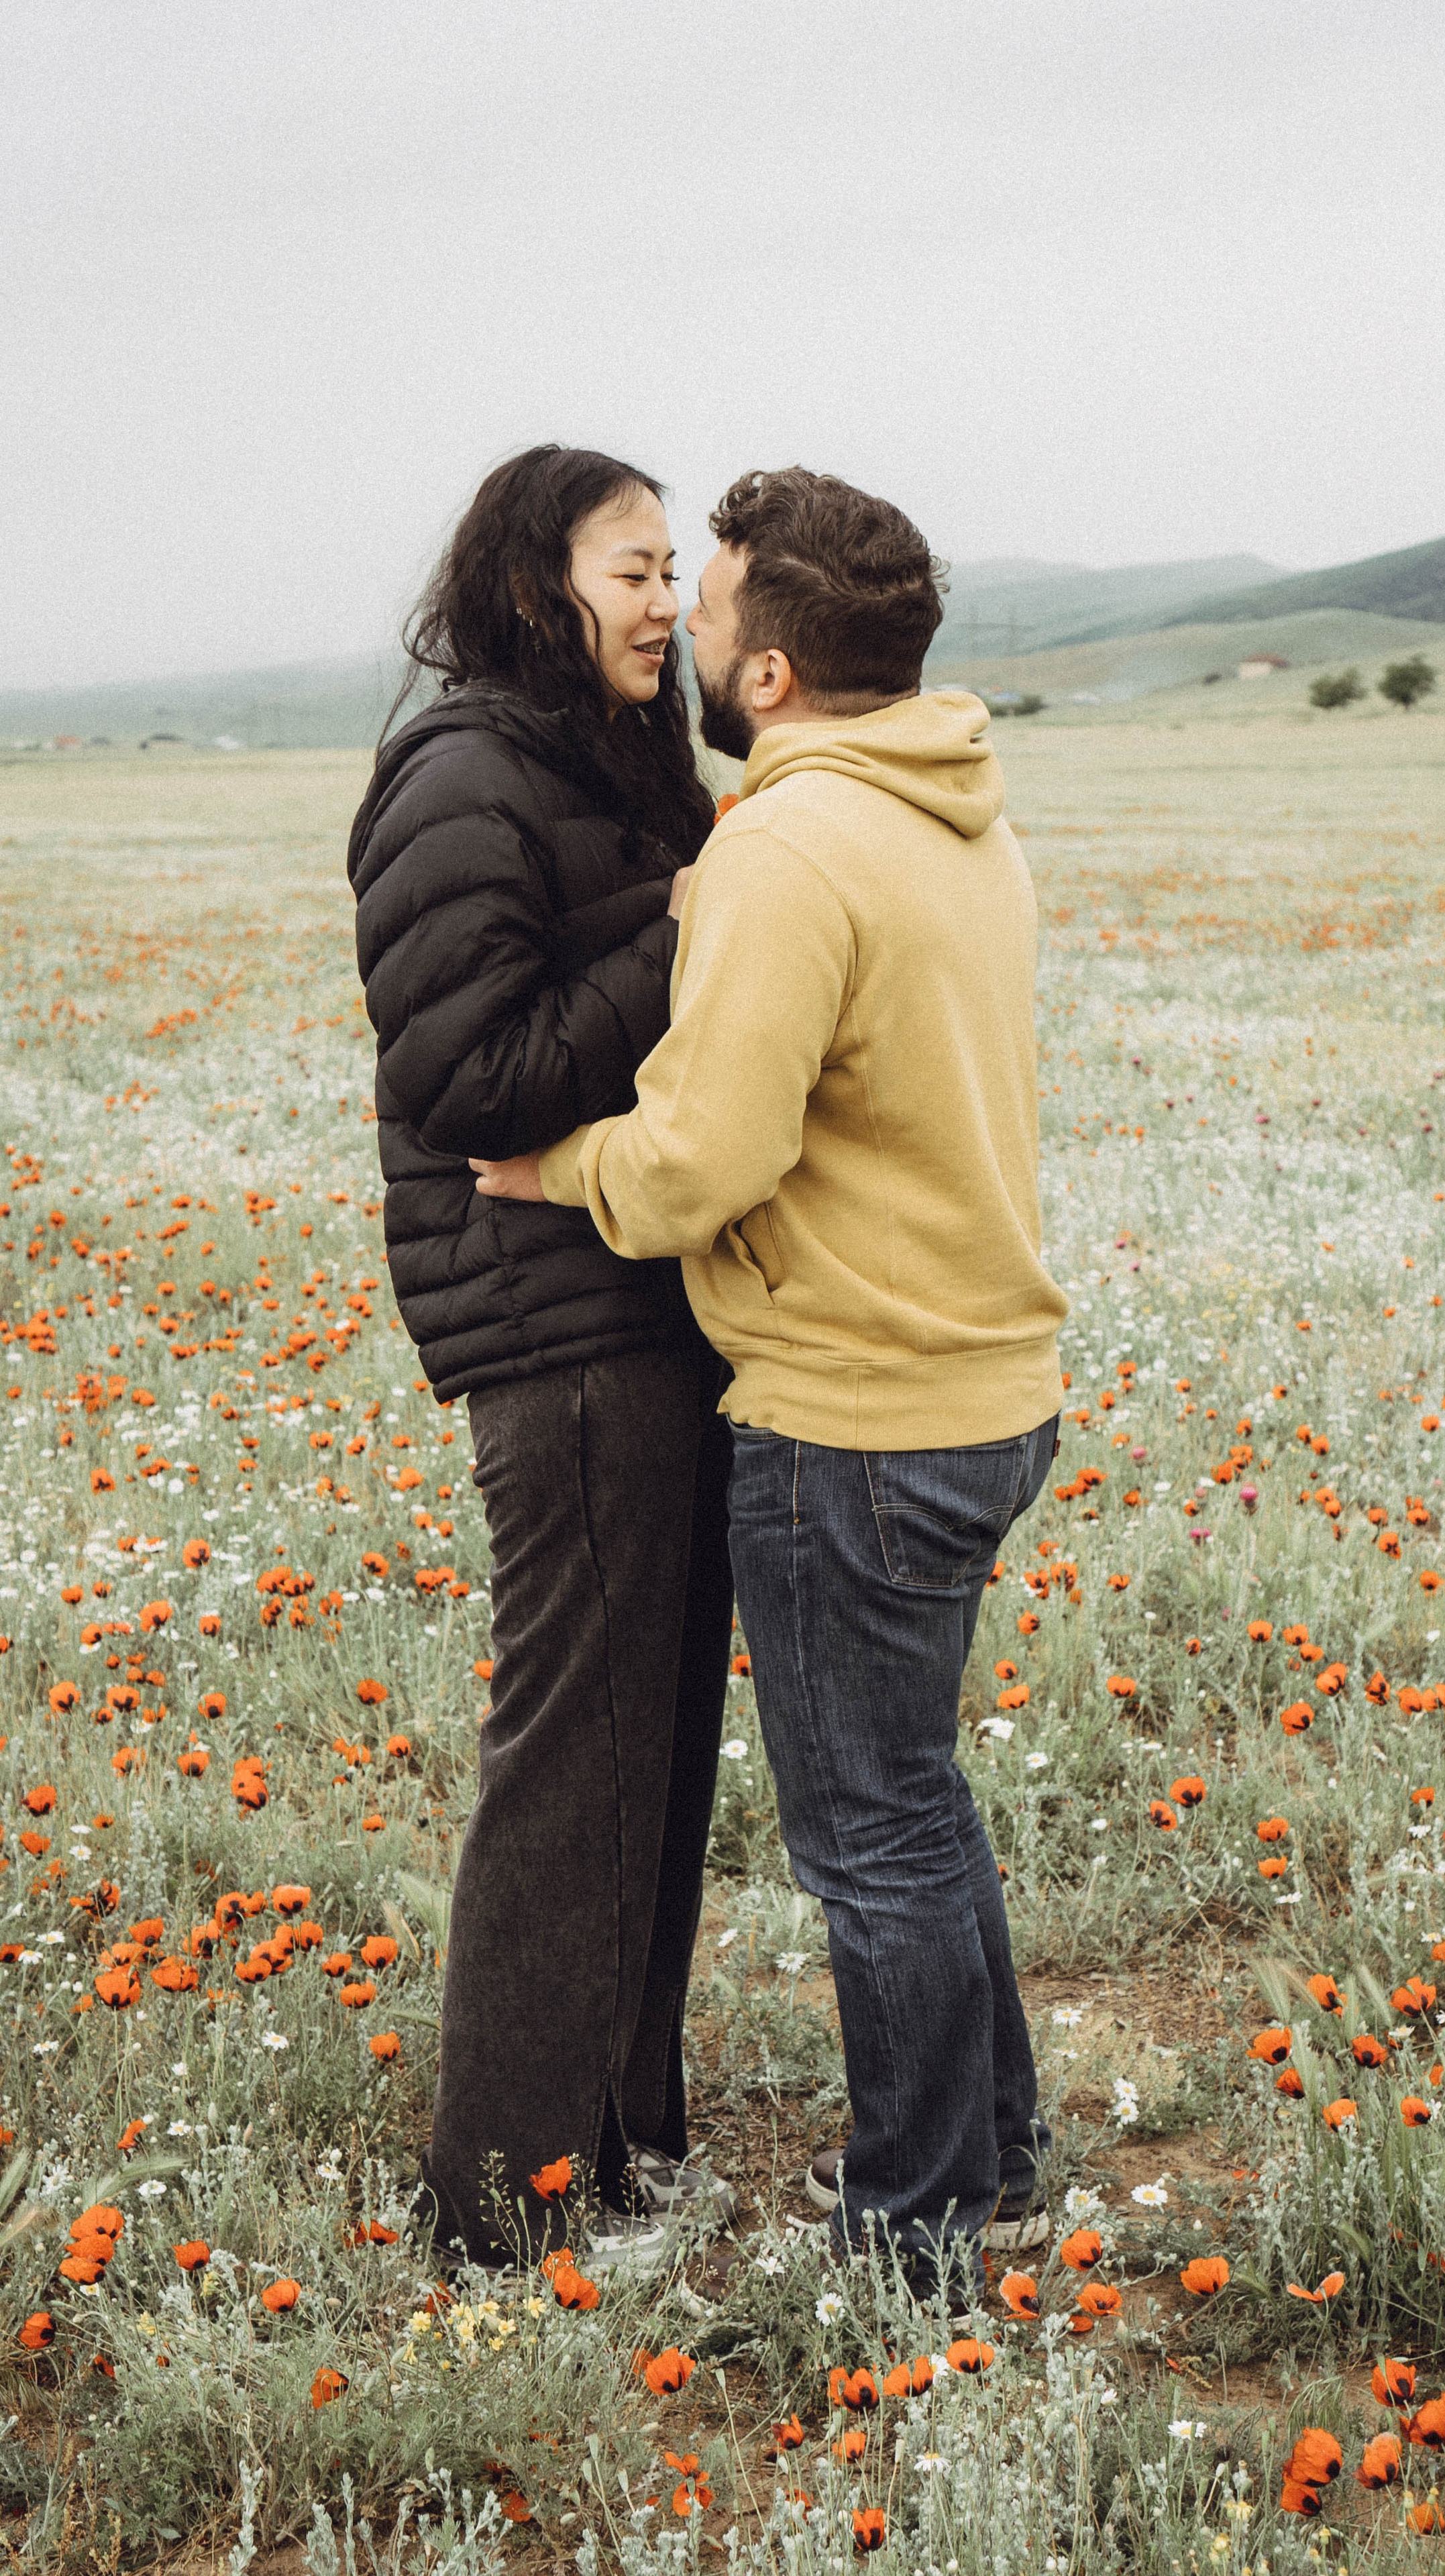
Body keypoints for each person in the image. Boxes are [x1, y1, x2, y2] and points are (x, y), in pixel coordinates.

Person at [471, 467, 1069, 2297]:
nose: (687, 628)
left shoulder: (791, 849)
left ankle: (913, 2237)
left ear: (778, 672)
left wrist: (550, 1166)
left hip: (852, 1413)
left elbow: (697, 1162)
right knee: (918, 1795)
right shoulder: (958, 811)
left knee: (871, 1833)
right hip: (986, 1383)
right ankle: (1000, 2160)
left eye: (711, 607)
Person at [347, 445, 737, 2271]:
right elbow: (467, 1077)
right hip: (554, 1316)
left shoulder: (614, 759)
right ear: (534, 584)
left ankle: (620, 2149)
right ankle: (506, 2204)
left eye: (678, 570)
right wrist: (683, 938)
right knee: (575, 1747)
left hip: (649, 1299)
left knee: (652, 1743)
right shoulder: (463, 772)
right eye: (633, 567)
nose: (669, 601)